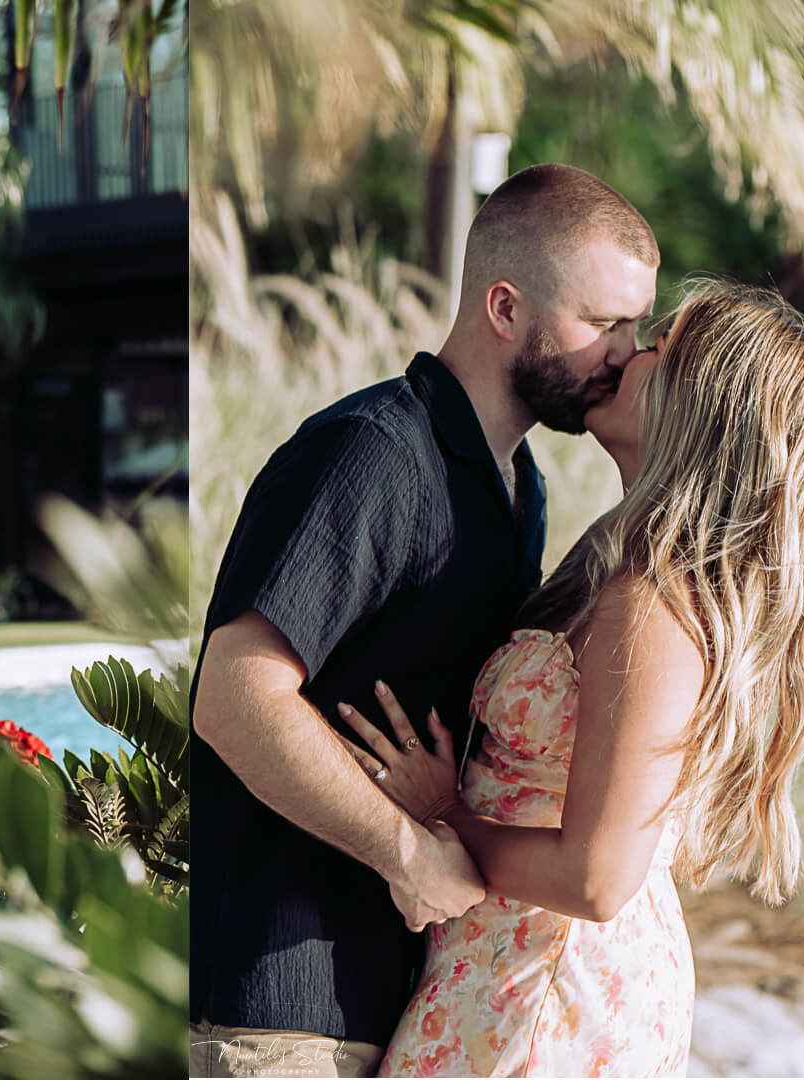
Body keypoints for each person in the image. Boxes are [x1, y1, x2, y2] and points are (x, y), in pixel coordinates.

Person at [189, 163, 659, 1077]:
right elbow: (233, 696)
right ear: (504, 307)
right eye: (604, 322)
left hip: (403, 997)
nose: (624, 352)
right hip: (286, 1013)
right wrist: (404, 848)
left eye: (635, 326)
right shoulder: (371, 453)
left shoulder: (521, 490)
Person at [338, 280, 804, 1076]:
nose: (627, 352)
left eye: (659, 348)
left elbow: (598, 877)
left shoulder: (652, 608)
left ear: (701, 407)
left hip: (549, 990)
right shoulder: (628, 576)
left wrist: (440, 813)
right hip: (518, 966)